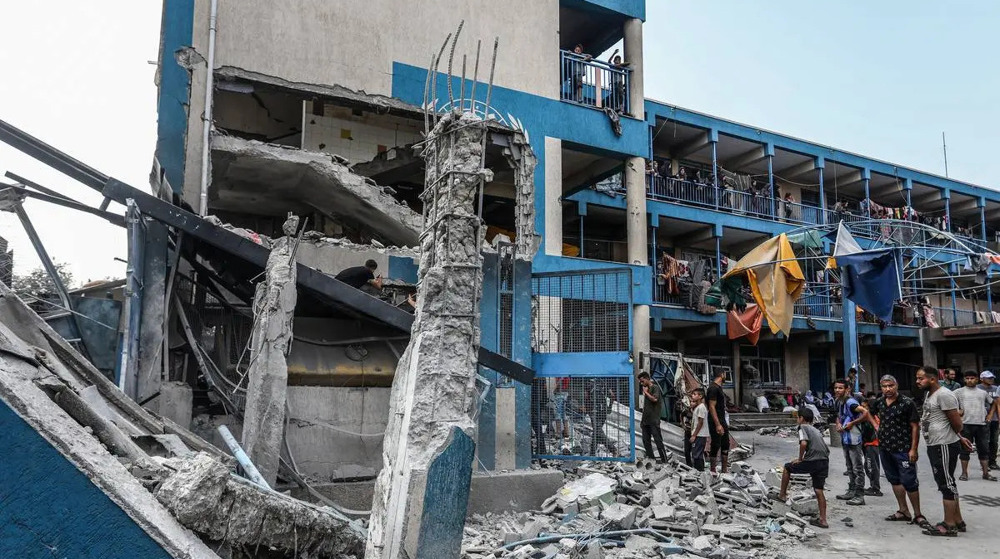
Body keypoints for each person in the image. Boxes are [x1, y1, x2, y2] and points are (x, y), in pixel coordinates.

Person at [916, 365, 974, 536]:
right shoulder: (930, 394)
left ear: (932, 379)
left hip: (944, 444)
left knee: (946, 484)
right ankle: (957, 520)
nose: (917, 381)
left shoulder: (944, 395)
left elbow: (957, 422)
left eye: (921, 378)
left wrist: (958, 436)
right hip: (936, 443)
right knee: (948, 482)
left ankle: (949, 525)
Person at [873, 375, 926, 527]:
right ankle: (903, 511)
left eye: (890, 386)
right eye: (884, 386)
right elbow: (868, 412)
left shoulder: (907, 403)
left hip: (903, 448)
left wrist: (913, 449)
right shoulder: (879, 402)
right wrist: (875, 425)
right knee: (894, 479)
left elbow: (915, 426)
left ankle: (918, 514)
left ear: (896, 385)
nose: (888, 389)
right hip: (885, 447)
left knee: (910, 482)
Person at [778, 407, 829, 529]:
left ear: (801, 418)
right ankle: (823, 520)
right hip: (824, 461)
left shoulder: (802, 428)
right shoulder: (816, 430)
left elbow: (804, 443)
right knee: (818, 490)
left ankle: (782, 495)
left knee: (787, 468)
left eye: (797, 417)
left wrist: (800, 459)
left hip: (813, 460)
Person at [955, 371, 997, 481]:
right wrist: (957, 411)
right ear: (964, 379)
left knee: (984, 450)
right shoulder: (958, 392)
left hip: (981, 425)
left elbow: (993, 403)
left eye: (972, 378)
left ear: (977, 379)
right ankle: (964, 474)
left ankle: (985, 473)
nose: (969, 380)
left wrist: (990, 415)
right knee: (965, 450)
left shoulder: (982, 393)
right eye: (967, 378)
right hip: (965, 424)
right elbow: (948, 402)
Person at [834, 379, 869, 505]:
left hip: (854, 438)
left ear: (847, 389)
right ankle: (852, 490)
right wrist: (838, 424)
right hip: (845, 438)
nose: (837, 390)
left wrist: (852, 424)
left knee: (857, 467)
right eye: (836, 388)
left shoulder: (850, 402)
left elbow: (865, 412)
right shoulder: (839, 402)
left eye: (840, 388)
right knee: (849, 467)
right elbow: (838, 416)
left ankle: (860, 495)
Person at [639, 372, 668, 463]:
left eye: (642, 381)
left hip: (654, 420)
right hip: (646, 421)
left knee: (658, 441)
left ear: (647, 378)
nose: (641, 383)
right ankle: (651, 459)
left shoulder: (655, 388)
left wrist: (646, 393)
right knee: (646, 441)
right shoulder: (647, 389)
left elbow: (655, 399)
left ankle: (664, 461)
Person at [707, 369, 730, 473]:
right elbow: (711, 407)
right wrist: (717, 424)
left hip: (722, 418)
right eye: (725, 374)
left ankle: (724, 469)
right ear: (722, 374)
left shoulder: (719, 388)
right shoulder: (713, 388)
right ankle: (713, 470)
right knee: (716, 444)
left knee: (725, 443)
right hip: (715, 420)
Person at [858, 399, 883, 496]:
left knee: (871, 467)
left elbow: (869, 433)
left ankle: (875, 488)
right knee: (870, 466)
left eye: (865, 407)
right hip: (871, 445)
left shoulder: (869, 418)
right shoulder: (872, 417)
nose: (862, 409)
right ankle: (874, 486)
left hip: (871, 445)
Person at [586, 378, 617, 456]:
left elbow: (586, 398)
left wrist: (587, 409)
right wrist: (609, 407)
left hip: (594, 411)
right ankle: (592, 454)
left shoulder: (589, 383)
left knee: (598, 431)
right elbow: (612, 396)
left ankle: (613, 449)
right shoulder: (603, 383)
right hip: (603, 411)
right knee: (596, 432)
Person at [979, 371, 1000, 470]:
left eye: (992, 378)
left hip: (994, 419)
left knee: (994, 441)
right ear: (982, 379)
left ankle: (993, 462)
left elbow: (997, 403)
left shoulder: (996, 389)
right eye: (988, 378)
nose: (991, 379)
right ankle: (984, 463)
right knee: (983, 442)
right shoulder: (977, 388)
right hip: (980, 419)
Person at [689, 388, 710, 471]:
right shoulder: (697, 407)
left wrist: (694, 435)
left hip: (699, 435)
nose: (692, 396)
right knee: (696, 454)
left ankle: (699, 472)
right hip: (698, 434)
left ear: (700, 396)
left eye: (694, 394)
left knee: (697, 455)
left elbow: (700, 423)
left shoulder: (701, 407)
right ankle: (699, 472)